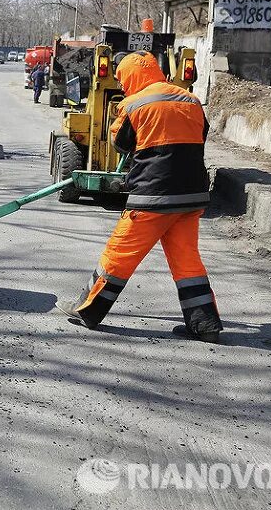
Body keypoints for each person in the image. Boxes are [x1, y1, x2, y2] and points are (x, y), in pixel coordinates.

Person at [55, 51, 223, 343]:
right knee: (187, 260)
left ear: (132, 76)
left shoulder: (134, 104)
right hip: (192, 196)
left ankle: (88, 311)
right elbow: (200, 137)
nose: (121, 85)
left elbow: (121, 143)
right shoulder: (192, 101)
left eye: (122, 79)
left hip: (153, 197)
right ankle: (204, 324)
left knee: (119, 254)